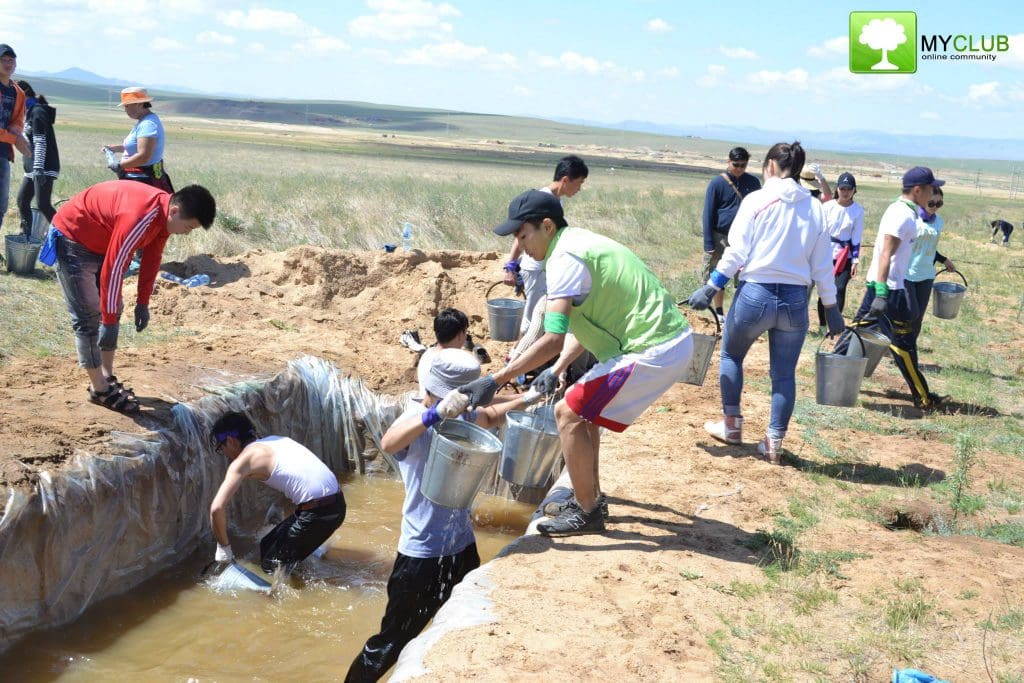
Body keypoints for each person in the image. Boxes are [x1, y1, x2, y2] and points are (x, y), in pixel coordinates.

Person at [459, 190, 693, 536]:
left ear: (547, 226)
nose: (521, 246)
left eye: (524, 236)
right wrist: (556, 370)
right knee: (585, 414)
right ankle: (590, 498)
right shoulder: (577, 244)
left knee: (567, 413)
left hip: (652, 348)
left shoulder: (563, 260)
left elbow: (552, 338)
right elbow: (582, 327)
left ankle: (587, 513)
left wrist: (495, 380)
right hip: (655, 343)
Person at [345, 349, 534, 682]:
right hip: (421, 556)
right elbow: (389, 443)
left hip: (460, 546)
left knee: (464, 623)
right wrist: (434, 414)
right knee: (391, 643)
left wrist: (530, 398)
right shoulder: (416, 416)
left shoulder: (460, 417)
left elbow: (489, 417)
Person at [688, 141, 842, 464]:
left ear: (771, 164)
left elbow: (737, 251)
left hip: (754, 295)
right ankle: (773, 443)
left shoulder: (757, 200)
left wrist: (712, 285)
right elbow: (823, 266)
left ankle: (731, 426)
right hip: (794, 301)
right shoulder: (814, 208)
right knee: (783, 374)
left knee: (731, 353)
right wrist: (831, 309)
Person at [48, 181, 216, 413]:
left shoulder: (163, 218)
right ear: (175, 210)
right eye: (188, 227)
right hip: (73, 238)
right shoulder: (140, 217)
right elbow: (114, 267)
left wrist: (142, 302)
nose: (186, 233)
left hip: (101, 242)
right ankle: (100, 389)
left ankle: (106, 376)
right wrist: (107, 320)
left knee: (113, 307)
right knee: (88, 315)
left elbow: (152, 258)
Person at [835, 166, 948, 411]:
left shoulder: (904, 210)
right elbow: (886, 253)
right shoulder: (903, 215)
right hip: (889, 288)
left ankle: (833, 375)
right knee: (903, 344)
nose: (932, 194)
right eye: (930, 189)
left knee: (858, 327)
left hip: (884, 284)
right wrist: (883, 292)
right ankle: (924, 398)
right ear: (918, 190)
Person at [209, 411, 346, 573]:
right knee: (267, 545)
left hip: (319, 513)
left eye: (221, 447)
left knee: (271, 566)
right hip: (337, 503)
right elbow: (301, 477)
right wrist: (279, 507)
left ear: (231, 441)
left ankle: (294, 591)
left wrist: (224, 549)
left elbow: (216, 509)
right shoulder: (277, 441)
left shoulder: (242, 462)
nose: (224, 454)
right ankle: (312, 554)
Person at [502, 155, 589, 335]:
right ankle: (517, 355)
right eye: (579, 182)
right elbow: (521, 235)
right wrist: (511, 266)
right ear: (565, 180)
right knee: (532, 317)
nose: (580, 188)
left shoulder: (557, 200)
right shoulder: (541, 200)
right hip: (534, 267)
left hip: (543, 267)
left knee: (541, 314)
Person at [904, 188, 956, 397]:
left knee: (917, 319)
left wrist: (944, 260)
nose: (934, 207)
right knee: (907, 314)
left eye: (939, 204)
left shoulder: (939, 222)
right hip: (906, 274)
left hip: (926, 276)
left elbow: (930, 247)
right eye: (932, 202)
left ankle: (911, 355)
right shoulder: (912, 219)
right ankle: (898, 350)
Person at [701, 147, 761, 323]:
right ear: (728, 162)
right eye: (736, 164)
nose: (739, 168)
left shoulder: (754, 183)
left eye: (743, 165)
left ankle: (739, 313)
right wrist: (708, 244)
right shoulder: (717, 183)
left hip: (745, 237)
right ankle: (719, 312)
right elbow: (708, 214)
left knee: (744, 276)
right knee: (716, 274)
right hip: (720, 236)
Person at [815, 172, 864, 333]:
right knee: (824, 289)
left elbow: (856, 236)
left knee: (840, 288)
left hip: (845, 255)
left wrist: (855, 259)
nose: (845, 192)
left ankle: (834, 326)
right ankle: (823, 324)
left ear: (854, 190)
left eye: (849, 189)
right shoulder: (828, 207)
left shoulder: (858, 211)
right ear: (837, 189)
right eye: (842, 188)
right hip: (825, 253)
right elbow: (819, 230)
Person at [103, 87, 173, 193]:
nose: (125, 110)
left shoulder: (148, 124)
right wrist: (115, 149)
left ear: (139, 104)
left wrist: (119, 166)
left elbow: (144, 156)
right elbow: (135, 147)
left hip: (144, 182)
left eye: (127, 106)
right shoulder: (144, 122)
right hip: (139, 179)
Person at [15, 81, 60, 239]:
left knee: (43, 205)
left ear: (23, 93)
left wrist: (39, 169)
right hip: (33, 167)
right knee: (22, 200)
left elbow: (41, 141)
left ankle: (66, 236)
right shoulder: (29, 111)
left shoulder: (38, 111)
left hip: (43, 167)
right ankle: (26, 236)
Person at [0, 44, 31, 234]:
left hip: (2, 154)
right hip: (6, 145)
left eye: (11, 60)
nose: (8, 64)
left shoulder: (18, 93)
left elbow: (18, 120)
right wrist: (14, 138)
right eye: (3, 60)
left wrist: (16, 132)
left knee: (1, 205)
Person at [416, 307, 469, 397]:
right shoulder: (452, 363)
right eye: (465, 332)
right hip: (444, 408)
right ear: (460, 335)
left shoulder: (428, 354)